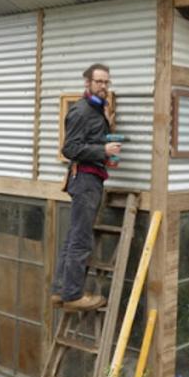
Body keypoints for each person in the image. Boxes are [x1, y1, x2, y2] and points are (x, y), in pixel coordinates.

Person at [51, 63, 121, 312]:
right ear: (87, 83)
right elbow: (69, 149)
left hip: (90, 178)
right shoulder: (81, 111)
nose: (103, 86)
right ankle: (73, 295)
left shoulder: (97, 109)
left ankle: (60, 290)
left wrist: (108, 133)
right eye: (99, 81)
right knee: (81, 239)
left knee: (73, 236)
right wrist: (102, 150)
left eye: (106, 82)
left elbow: (88, 139)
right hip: (86, 180)